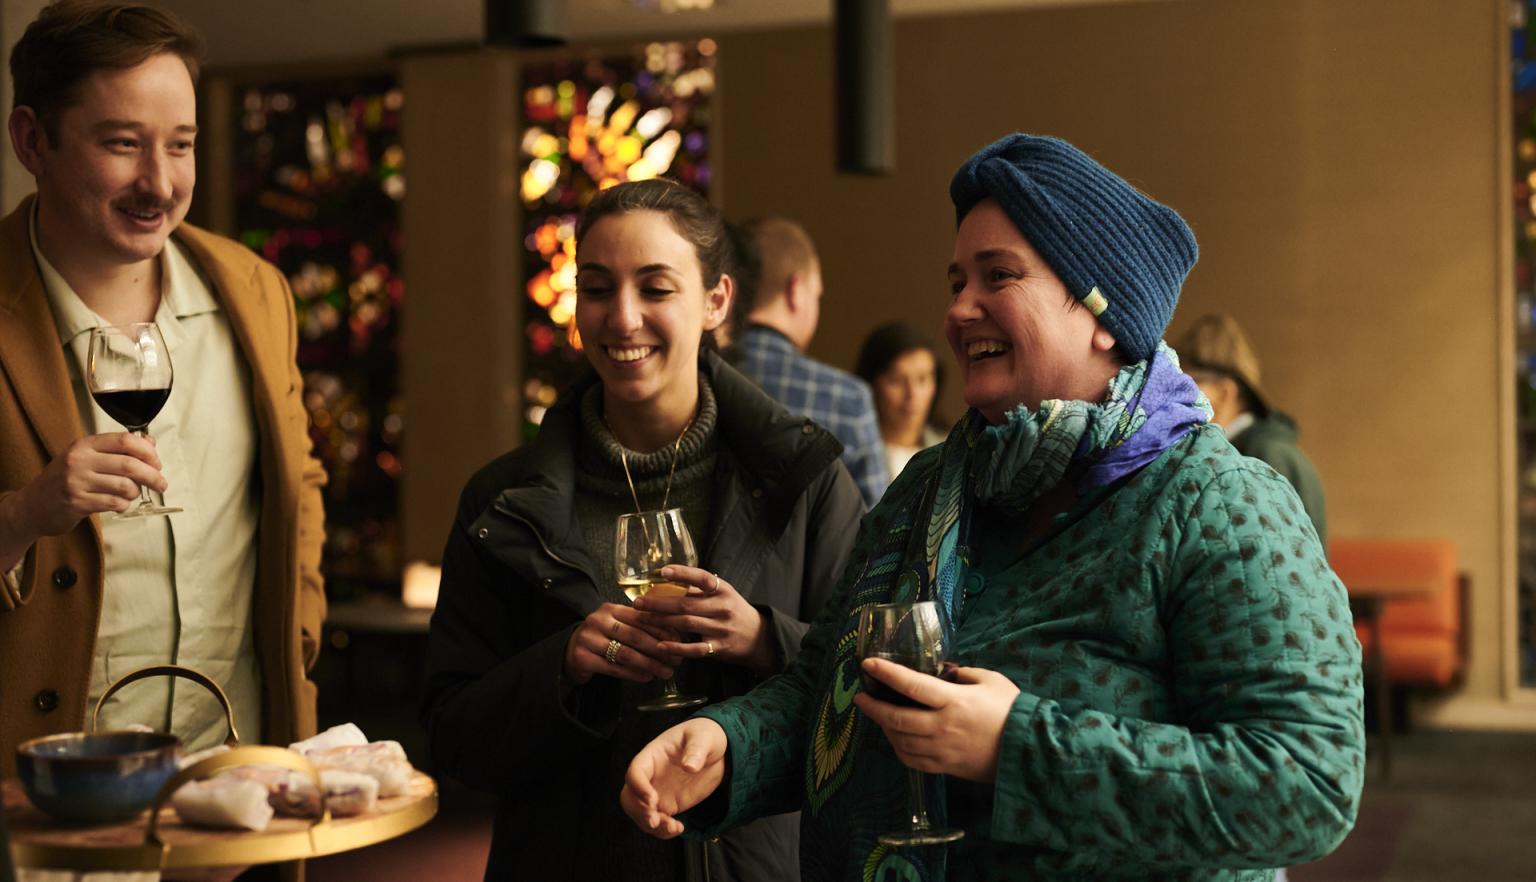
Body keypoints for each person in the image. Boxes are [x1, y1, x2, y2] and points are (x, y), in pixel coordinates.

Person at [622, 134, 1364, 881]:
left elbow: (1308, 784)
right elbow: (833, 687)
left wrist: (1018, 748)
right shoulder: (929, 488)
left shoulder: (1217, 501)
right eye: (955, 282)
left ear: (1105, 312)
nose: (958, 309)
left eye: (998, 276)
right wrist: (728, 745)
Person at [421, 179, 864, 882]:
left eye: (655, 288)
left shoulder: (804, 481)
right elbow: (453, 736)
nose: (622, 319)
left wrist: (761, 638)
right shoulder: (500, 501)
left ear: (716, 300)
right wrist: (562, 666)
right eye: (597, 289)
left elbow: (872, 686)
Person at [0, 0, 326, 768]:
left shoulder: (256, 290)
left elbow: (297, 487)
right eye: (122, 144)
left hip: (238, 773)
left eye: (180, 146)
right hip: (44, 793)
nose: (159, 183)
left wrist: (298, 633)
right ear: (31, 141)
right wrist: (23, 513)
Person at [736, 216, 889, 506]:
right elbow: (879, 527)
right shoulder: (848, 398)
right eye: (816, 295)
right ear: (796, 291)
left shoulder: (696, 379)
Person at [1177, 313, 1328, 544]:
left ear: (1225, 392)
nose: (1177, 398)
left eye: (1188, 385)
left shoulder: (1261, 457)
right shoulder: (1264, 449)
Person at [855, 321, 946, 481]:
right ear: (871, 384)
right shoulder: (852, 455)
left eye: (922, 379)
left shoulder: (954, 452)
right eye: (896, 380)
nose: (912, 394)